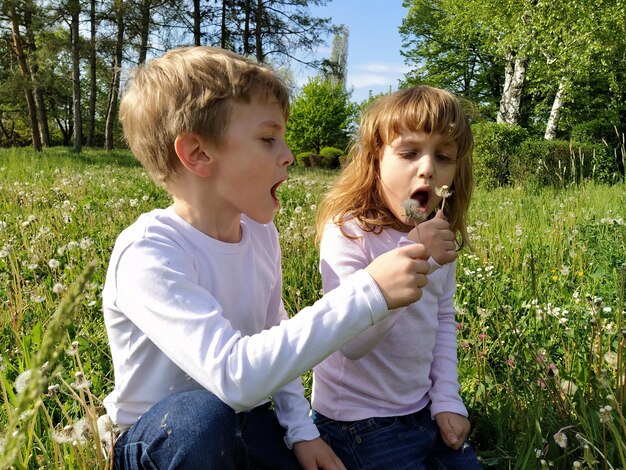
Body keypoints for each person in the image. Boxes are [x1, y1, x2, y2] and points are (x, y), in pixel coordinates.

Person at [102, 46, 431, 470]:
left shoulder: (258, 231)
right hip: (163, 438)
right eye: (267, 138)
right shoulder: (149, 252)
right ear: (198, 154)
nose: (288, 153)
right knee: (202, 417)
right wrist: (368, 293)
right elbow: (236, 377)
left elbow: (274, 330)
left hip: (243, 420)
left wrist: (301, 430)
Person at [311, 85, 482, 469]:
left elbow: (440, 320)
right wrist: (415, 257)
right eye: (408, 153)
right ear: (375, 159)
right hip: (356, 420)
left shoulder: (440, 235)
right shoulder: (350, 234)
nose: (427, 168)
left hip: (421, 408)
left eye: (443, 156)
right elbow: (350, 342)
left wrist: (448, 399)